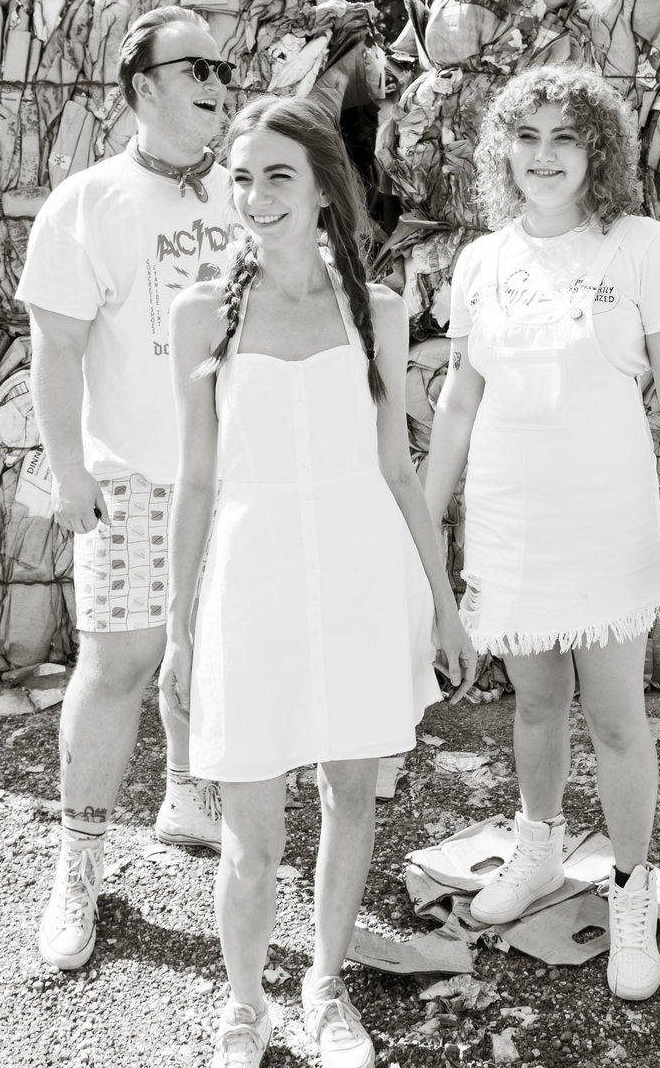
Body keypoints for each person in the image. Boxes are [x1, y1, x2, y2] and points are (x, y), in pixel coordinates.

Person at [162, 93, 476, 1068]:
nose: (256, 196)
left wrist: (444, 607)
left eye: (278, 176)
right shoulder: (200, 315)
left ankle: (327, 987)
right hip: (250, 583)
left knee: (350, 796)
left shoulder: (375, 311)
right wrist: (178, 631)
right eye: (242, 178)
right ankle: (244, 1006)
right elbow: (196, 481)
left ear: (323, 188)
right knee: (251, 836)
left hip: (359, 577)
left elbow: (397, 470)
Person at [423, 64, 660, 1002]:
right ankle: (539, 849)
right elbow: (460, 398)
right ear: (502, 150)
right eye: (528, 137)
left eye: (566, 138)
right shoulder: (481, 260)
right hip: (510, 516)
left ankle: (631, 888)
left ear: (599, 152)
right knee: (536, 703)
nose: (545, 156)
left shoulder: (640, 246)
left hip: (608, 515)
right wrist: (422, 525)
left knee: (618, 716)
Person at [17, 5, 238, 971]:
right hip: (133, 477)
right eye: (197, 67)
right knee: (118, 665)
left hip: (238, 477)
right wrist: (68, 472)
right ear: (143, 86)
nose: (220, 82)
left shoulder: (247, 188)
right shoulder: (87, 202)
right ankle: (77, 865)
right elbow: (56, 348)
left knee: (219, 650)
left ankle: (189, 795)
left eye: (225, 67)